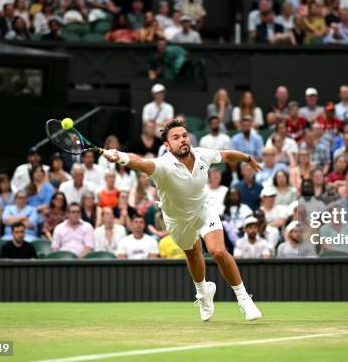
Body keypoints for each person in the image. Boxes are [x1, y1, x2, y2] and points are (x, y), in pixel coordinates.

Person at [103, 118, 263, 321]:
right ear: (167, 145)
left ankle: (244, 299)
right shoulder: (162, 166)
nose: (182, 140)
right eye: (176, 138)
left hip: (204, 209)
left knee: (218, 251)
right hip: (177, 219)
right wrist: (120, 156)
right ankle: (203, 294)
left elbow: (226, 155)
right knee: (193, 256)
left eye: (184, 136)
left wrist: (247, 158)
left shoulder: (202, 155)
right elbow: (141, 163)